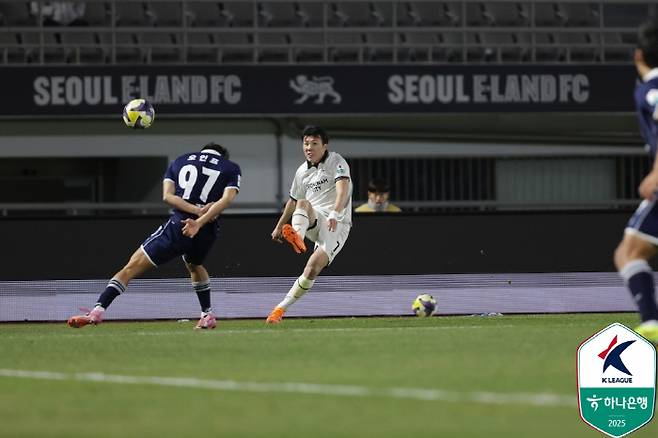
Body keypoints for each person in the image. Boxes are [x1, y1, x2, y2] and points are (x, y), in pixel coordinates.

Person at [67, 142, 241, 330]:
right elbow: (227, 199)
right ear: (222, 156)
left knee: (131, 267)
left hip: (179, 226)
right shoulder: (230, 167)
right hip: (207, 229)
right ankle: (207, 314)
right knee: (194, 265)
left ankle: (97, 311)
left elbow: (168, 196)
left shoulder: (180, 160)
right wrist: (200, 220)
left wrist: (195, 213)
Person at [267, 125, 352, 323]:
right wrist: (279, 226)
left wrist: (335, 212)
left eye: (314, 143)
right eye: (306, 143)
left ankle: (279, 310)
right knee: (303, 203)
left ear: (325, 146)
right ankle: (297, 236)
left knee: (312, 268)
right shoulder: (301, 172)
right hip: (314, 219)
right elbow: (292, 201)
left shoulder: (336, 161)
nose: (309, 148)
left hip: (337, 224)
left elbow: (343, 189)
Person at [613, 19, 658, 344]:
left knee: (628, 253)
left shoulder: (652, 89)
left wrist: (656, 173)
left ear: (638, 54)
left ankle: (652, 322)